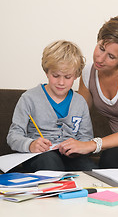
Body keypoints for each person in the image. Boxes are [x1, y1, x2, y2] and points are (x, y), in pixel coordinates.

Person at [55, 16, 118, 169]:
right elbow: (78, 115)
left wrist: (90, 145)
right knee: (109, 160)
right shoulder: (88, 73)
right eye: (101, 48)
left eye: (111, 56)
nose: (100, 58)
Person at [7, 40, 97, 172]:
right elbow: (13, 135)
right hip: (40, 157)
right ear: (46, 72)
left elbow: (86, 138)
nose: (61, 82)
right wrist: (30, 144)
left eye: (67, 77)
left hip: (71, 157)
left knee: (90, 169)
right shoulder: (29, 98)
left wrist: (78, 147)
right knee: (50, 163)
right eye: (55, 76)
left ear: (76, 76)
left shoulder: (80, 102)